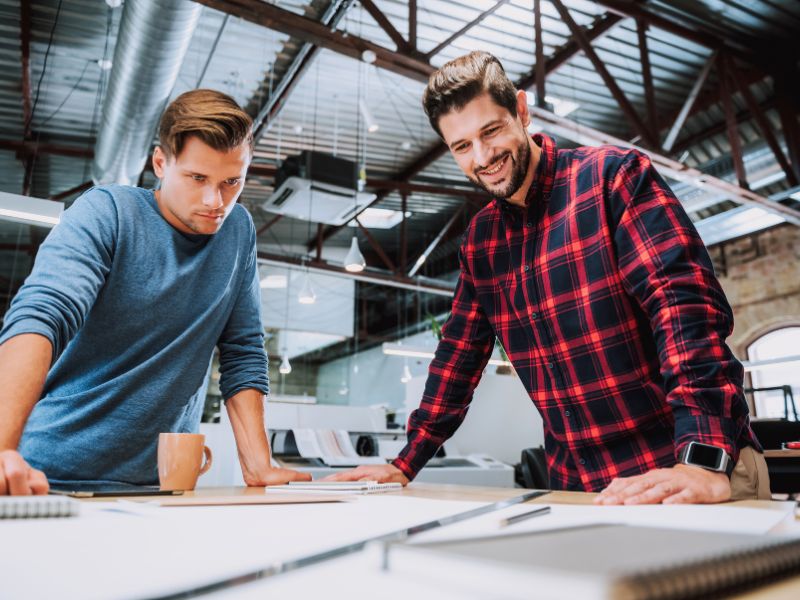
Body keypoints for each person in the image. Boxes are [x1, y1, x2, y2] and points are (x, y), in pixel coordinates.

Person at [327, 51, 770, 504]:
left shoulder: (612, 180)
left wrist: (703, 454)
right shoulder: (481, 243)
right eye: (462, 147)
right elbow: (457, 358)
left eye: (491, 131)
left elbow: (684, 310)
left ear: (521, 111)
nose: (482, 157)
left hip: (682, 473)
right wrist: (406, 462)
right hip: (578, 488)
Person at [0, 89, 310, 495]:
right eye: (197, 178)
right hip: (50, 476)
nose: (215, 201)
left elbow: (244, 348)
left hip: (163, 485)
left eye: (232, 181)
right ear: (161, 163)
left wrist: (259, 465)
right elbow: (43, 315)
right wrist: (3, 450)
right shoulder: (108, 211)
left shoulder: (238, 231)